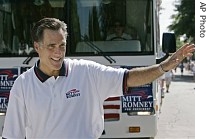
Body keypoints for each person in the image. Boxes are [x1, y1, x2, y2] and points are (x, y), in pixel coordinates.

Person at [2, 17, 195, 139]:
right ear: (37, 47)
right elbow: (12, 135)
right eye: (51, 46)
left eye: (62, 46)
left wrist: (164, 66)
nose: (58, 52)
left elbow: (129, 78)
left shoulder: (86, 72)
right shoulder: (23, 85)